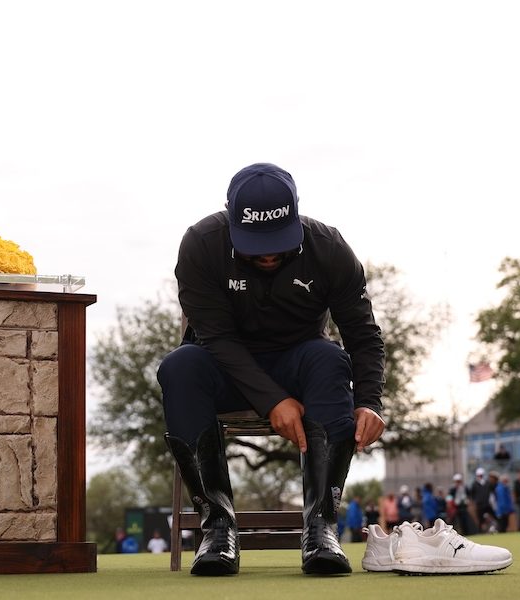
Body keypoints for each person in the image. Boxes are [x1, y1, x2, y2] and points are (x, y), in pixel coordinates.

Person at [157, 163, 385, 576]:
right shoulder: (200, 244)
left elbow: (363, 335)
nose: (266, 253)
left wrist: (370, 402)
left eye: (276, 241)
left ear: (296, 216)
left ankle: (321, 527)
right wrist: (272, 400)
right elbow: (217, 339)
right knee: (179, 366)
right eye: (254, 242)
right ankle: (218, 528)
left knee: (330, 358)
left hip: (298, 362)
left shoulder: (329, 248)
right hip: (221, 365)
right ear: (231, 218)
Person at [470, 467, 495, 532]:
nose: (480, 477)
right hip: (479, 505)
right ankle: (480, 531)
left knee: (494, 516)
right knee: (480, 520)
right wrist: (475, 502)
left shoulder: (487, 483)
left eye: (481, 475)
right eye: (479, 475)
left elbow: (492, 491)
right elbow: (472, 495)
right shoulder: (474, 484)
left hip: (487, 503)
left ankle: (494, 528)